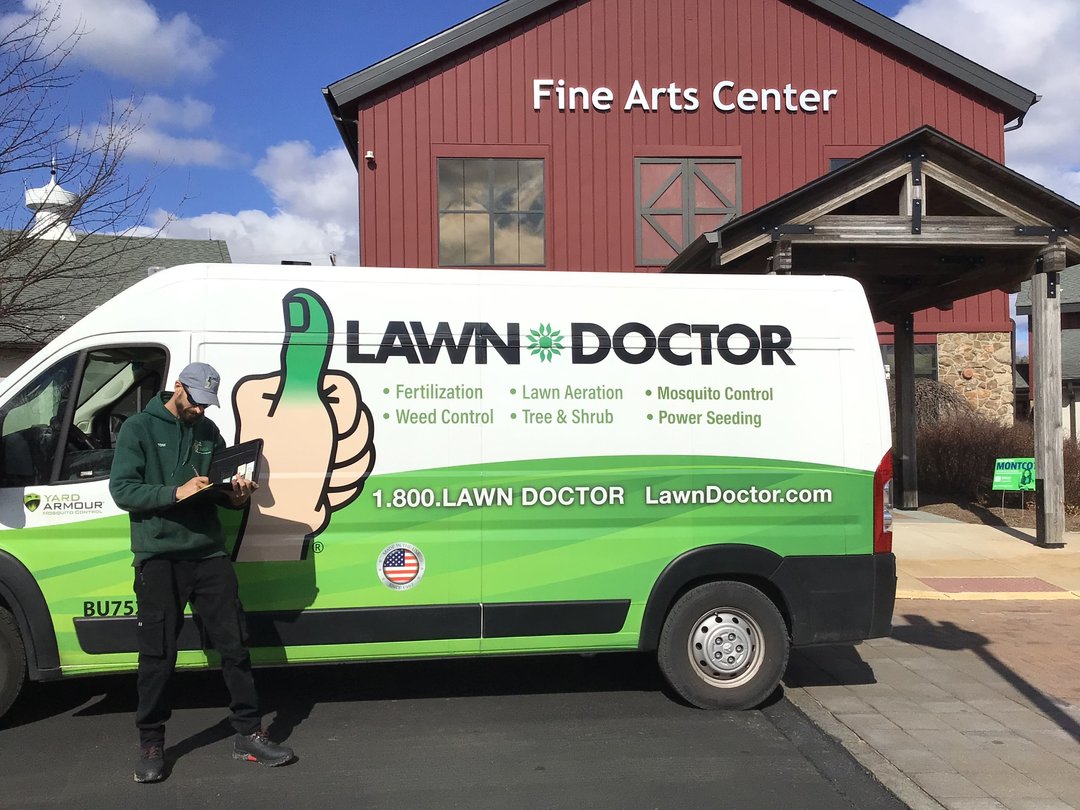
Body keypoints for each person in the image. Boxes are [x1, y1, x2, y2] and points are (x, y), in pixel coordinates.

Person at [109, 362, 294, 783]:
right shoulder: (139, 428)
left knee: (235, 646)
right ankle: (151, 743)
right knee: (158, 655)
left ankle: (248, 733)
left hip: (209, 554)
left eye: (207, 404)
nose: (201, 411)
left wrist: (237, 496)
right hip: (159, 556)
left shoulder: (208, 432)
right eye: (196, 402)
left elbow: (219, 490)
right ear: (178, 387)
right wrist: (176, 492)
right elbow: (122, 489)